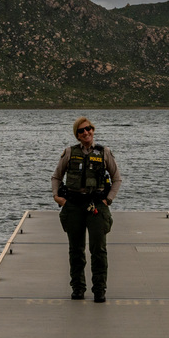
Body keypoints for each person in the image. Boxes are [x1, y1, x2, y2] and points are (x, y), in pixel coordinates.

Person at [50, 116, 122, 302]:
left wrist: (108, 200)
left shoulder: (104, 152)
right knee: (76, 249)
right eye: (81, 130)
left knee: (98, 250)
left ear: (93, 130)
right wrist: (57, 197)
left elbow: (117, 179)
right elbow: (56, 177)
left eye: (88, 128)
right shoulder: (69, 152)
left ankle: (99, 290)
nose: (86, 132)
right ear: (77, 135)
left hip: (97, 205)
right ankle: (78, 288)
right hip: (73, 205)